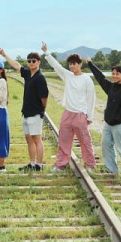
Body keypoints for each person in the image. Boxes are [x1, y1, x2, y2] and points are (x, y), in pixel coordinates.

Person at [42, 42, 97, 171]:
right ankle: (61, 164)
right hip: (67, 113)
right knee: (63, 141)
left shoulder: (87, 79)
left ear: (80, 64)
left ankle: (90, 164)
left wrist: (89, 116)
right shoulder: (68, 75)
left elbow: (91, 99)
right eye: (70, 64)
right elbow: (56, 66)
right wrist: (46, 53)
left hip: (80, 114)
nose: (72, 66)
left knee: (85, 141)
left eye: (74, 63)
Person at [86, 58, 121, 182]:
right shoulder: (111, 87)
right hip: (108, 124)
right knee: (106, 145)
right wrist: (90, 64)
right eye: (113, 74)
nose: (114, 76)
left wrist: (116, 118)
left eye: (117, 74)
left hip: (119, 125)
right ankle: (111, 169)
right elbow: (100, 78)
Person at [0, 47, 49, 171]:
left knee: (37, 139)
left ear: (39, 62)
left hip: (35, 113)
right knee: (29, 139)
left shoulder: (40, 78)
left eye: (34, 60)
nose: (31, 63)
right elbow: (16, 65)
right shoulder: (28, 74)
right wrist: (5, 55)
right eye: (29, 61)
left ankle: (39, 165)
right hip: (26, 113)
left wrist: (41, 110)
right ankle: (32, 163)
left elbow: (44, 98)